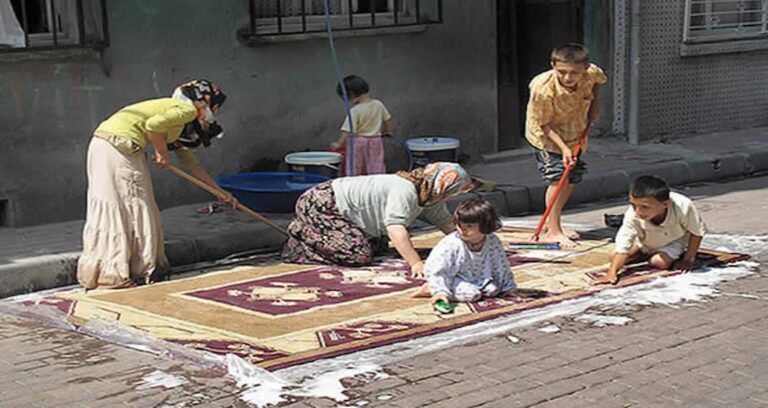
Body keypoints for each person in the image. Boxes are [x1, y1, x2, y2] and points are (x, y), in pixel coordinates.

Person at [77, 79, 237, 289]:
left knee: (119, 206)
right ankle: (125, 273)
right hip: (120, 148)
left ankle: (107, 272)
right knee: (134, 206)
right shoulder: (185, 111)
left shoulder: (177, 121)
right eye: (214, 106)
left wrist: (219, 192)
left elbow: (192, 164)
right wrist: (161, 153)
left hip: (103, 145)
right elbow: (153, 126)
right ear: (204, 100)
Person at [281, 162, 474, 277]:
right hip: (323, 204)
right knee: (358, 255)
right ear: (444, 189)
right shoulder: (405, 190)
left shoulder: (430, 197)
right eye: (453, 192)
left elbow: (445, 223)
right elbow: (395, 229)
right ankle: (301, 241)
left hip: (348, 215)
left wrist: (472, 241)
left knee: (379, 248)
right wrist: (415, 263)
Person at [525, 43, 607, 248]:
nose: (568, 78)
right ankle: (553, 231)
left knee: (569, 178)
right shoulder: (542, 89)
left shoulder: (591, 72)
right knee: (557, 176)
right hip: (546, 137)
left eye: (574, 73)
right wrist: (564, 149)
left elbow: (598, 81)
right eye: (562, 72)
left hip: (575, 130)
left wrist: (595, 105)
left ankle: (555, 224)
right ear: (553, 65)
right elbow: (544, 124)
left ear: (585, 68)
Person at [593, 175, 707, 285]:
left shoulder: (684, 206)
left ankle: (653, 255)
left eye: (645, 207)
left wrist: (688, 260)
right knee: (614, 257)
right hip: (644, 240)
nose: (638, 211)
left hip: (674, 240)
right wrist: (611, 273)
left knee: (659, 262)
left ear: (665, 204)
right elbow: (624, 241)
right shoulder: (633, 214)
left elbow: (696, 232)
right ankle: (643, 253)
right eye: (633, 205)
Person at [413, 198, 516, 307]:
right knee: (472, 295)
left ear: (485, 225)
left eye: (469, 226)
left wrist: (508, 288)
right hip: (452, 276)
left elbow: (501, 265)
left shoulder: (492, 241)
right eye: (460, 225)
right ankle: (431, 288)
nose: (463, 230)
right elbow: (440, 270)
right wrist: (440, 291)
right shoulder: (451, 244)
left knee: (493, 290)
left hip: (477, 277)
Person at [330, 75, 393, 176]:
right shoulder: (378, 104)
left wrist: (339, 143)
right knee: (376, 164)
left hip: (358, 141)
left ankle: (353, 183)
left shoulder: (355, 111)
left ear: (351, 94)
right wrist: (388, 131)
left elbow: (347, 130)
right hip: (375, 140)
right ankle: (378, 183)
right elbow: (388, 119)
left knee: (354, 165)